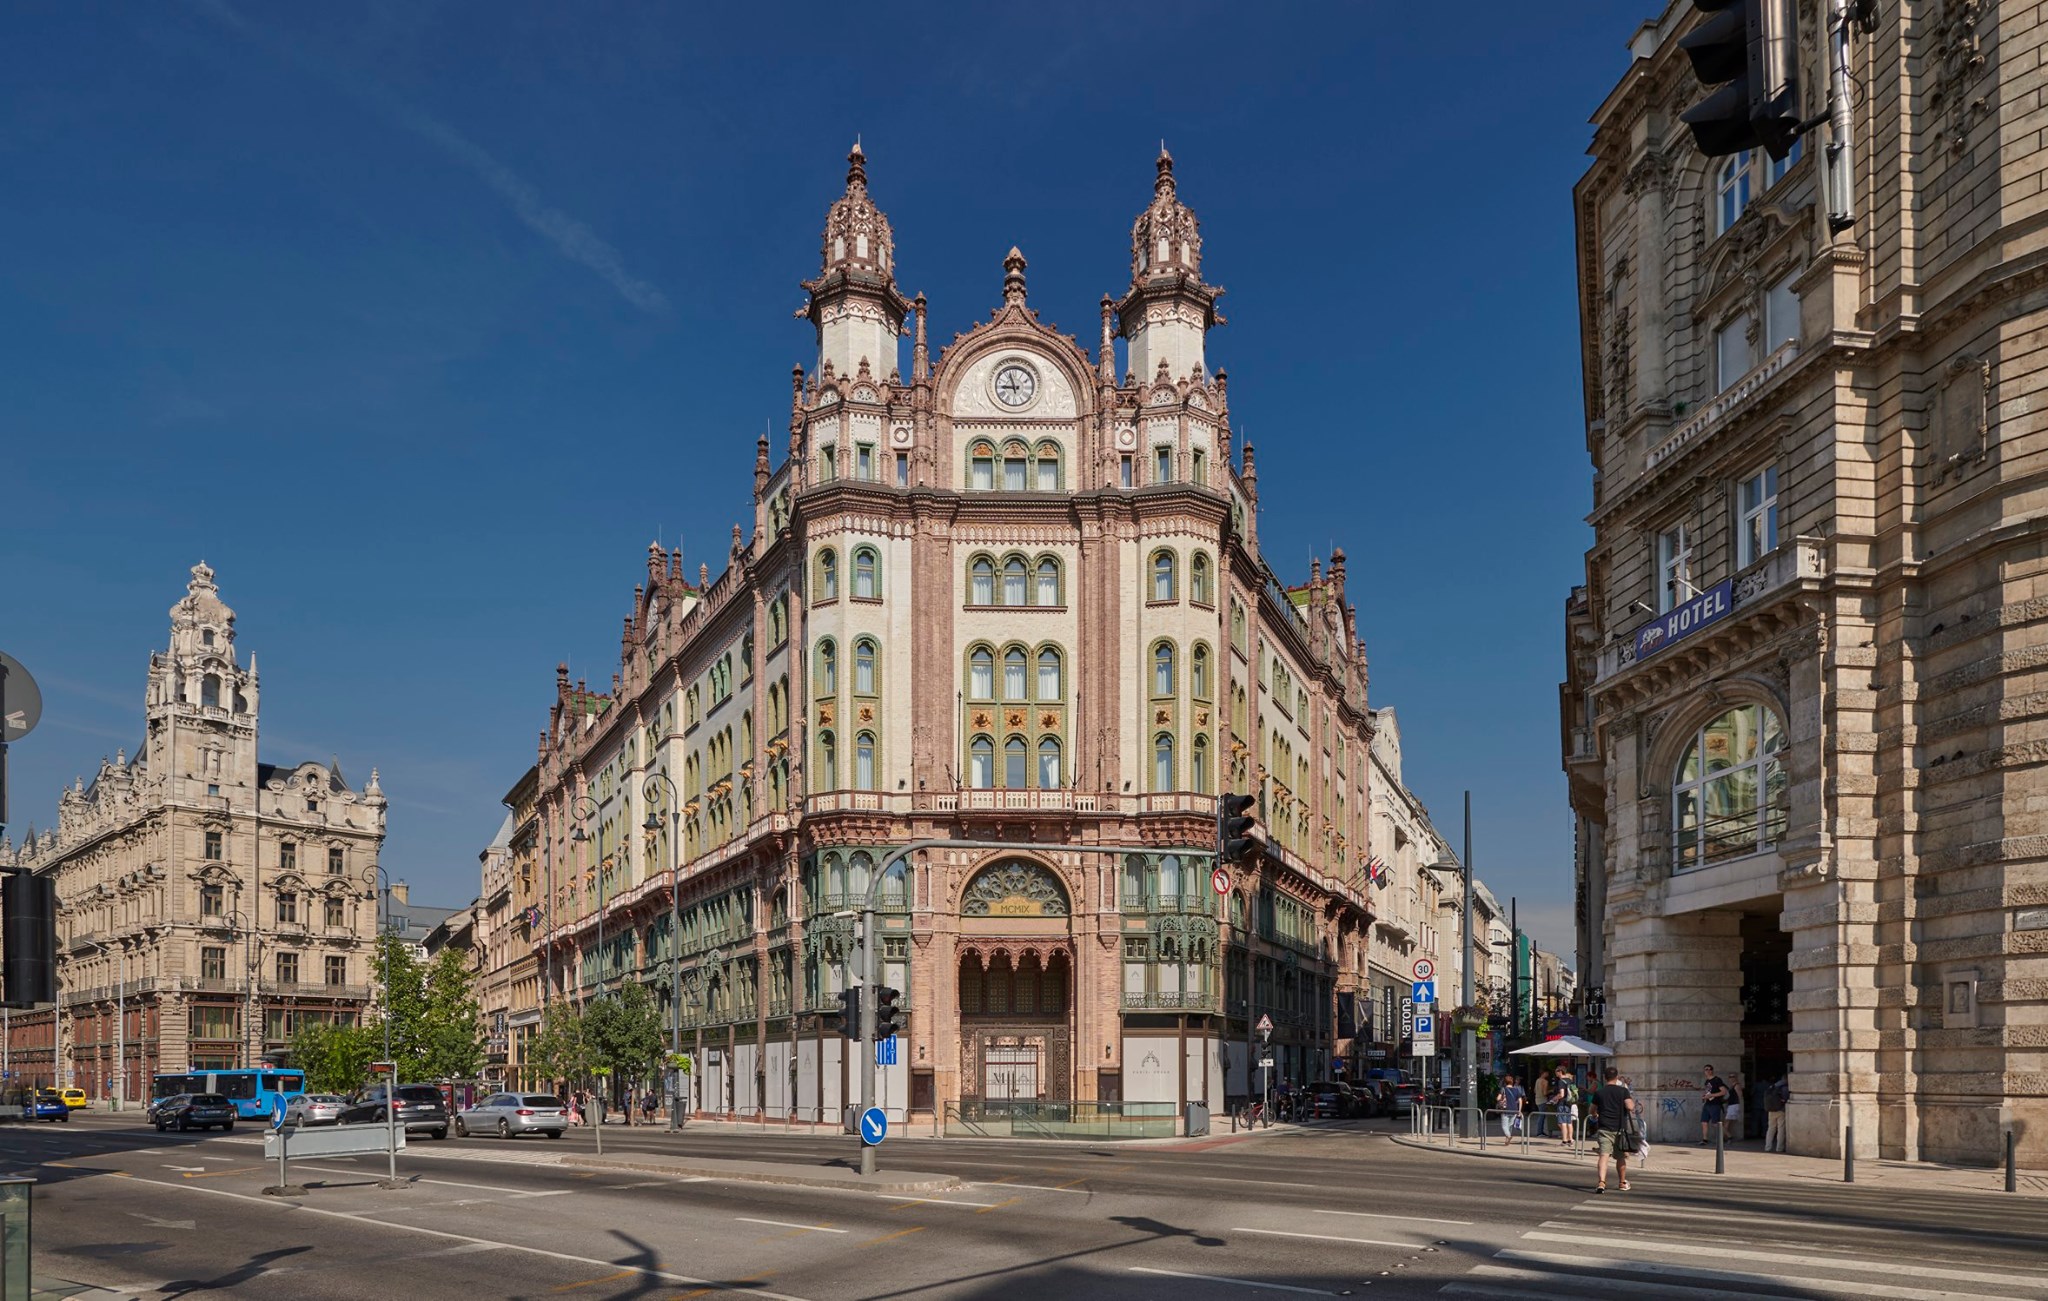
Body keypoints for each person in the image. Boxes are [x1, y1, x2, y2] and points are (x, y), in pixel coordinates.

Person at [1591, 1064, 1637, 1193]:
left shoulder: (1599, 1092)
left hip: (1604, 1128)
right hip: (1619, 1129)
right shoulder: (1623, 1091)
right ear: (1617, 1077)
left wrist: (1595, 1115)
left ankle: (1601, 1183)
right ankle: (1622, 1183)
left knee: (1603, 1156)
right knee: (1621, 1157)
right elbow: (1630, 1107)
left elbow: (1592, 1110)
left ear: (1605, 1078)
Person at [1699, 1064, 1729, 1145]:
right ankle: (1705, 1139)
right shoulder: (1707, 1081)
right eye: (1706, 1069)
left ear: (1712, 1070)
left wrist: (1711, 1095)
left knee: (1716, 1123)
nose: (1708, 1071)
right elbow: (1708, 1092)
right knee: (1704, 1122)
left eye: (1710, 1069)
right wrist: (1705, 1096)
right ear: (1704, 1071)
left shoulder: (1717, 1080)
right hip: (1707, 1103)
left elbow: (1723, 1091)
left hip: (1715, 1104)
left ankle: (1729, 1136)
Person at [1552, 1069, 1578, 1145]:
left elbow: (1562, 1094)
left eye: (1556, 1071)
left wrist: (1554, 1098)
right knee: (1569, 1122)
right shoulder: (1570, 1080)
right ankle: (1571, 1139)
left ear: (1560, 1072)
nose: (1555, 1073)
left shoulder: (1561, 1081)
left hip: (1562, 1104)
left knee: (1562, 1122)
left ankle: (1564, 1140)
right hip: (1569, 1103)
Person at [1764, 1074, 1788, 1152]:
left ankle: (1767, 1147)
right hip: (1781, 1110)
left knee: (1771, 1128)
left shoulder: (1773, 1086)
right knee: (1781, 1129)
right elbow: (1785, 1098)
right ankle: (1779, 1148)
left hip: (1771, 1110)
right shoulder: (1784, 1087)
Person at [1531, 1070, 1552, 1138]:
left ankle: (1541, 1131)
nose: (1548, 1074)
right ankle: (1539, 1132)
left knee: (1541, 1115)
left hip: (1537, 1099)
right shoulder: (1545, 1081)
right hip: (1543, 1100)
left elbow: (1534, 1090)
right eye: (1547, 1072)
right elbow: (1545, 1093)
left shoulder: (1537, 1080)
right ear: (1544, 1073)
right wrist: (1551, 1090)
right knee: (1542, 1116)